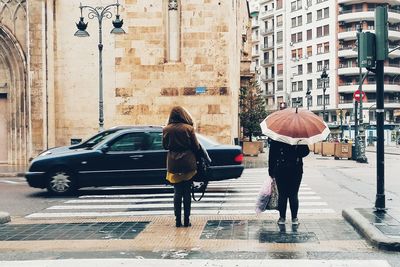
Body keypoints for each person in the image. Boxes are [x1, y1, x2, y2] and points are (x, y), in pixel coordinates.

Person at [162, 106, 201, 227]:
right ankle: (186, 220)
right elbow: (196, 146)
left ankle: (177, 220)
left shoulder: (166, 129)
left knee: (177, 192)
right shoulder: (189, 129)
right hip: (188, 163)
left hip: (173, 163)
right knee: (187, 192)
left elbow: (165, 146)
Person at [268, 139, 310, 225]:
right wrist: (297, 147)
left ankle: (282, 218)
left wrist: (271, 171)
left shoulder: (277, 138)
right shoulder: (299, 138)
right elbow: (305, 152)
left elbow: (272, 156)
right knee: (293, 194)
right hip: (296, 169)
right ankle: (294, 218)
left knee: (282, 194)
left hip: (281, 169)